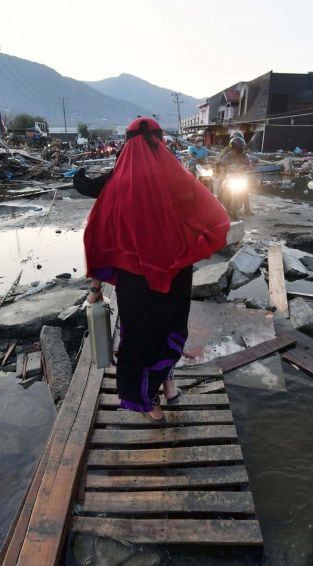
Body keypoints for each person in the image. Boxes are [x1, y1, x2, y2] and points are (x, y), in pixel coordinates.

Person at [73, 118, 230, 422]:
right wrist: (187, 250)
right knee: (169, 330)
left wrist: (95, 290)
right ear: (160, 142)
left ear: (127, 145)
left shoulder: (116, 187)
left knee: (139, 339)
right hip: (175, 275)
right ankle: (168, 387)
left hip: (135, 283)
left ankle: (149, 404)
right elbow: (216, 218)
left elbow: (97, 239)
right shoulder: (180, 180)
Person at [216, 134, 254, 216]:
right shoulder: (228, 153)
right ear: (233, 146)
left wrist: (249, 166)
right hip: (229, 174)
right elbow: (221, 159)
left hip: (240, 175)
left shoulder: (244, 155)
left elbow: (248, 163)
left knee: (245, 191)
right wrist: (220, 164)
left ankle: (248, 210)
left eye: (241, 147)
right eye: (238, 147)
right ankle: (218, 206)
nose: (240, 148)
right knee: (222, 187)